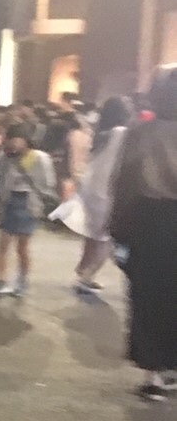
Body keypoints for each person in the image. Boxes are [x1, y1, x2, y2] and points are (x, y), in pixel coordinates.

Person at [110, 68, 177, 401]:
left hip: (149, 221)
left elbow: (123, 181)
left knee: (148, 296)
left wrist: (117, 226)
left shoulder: (141, 133)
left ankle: (153, 372)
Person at [57, 96, 131, 294]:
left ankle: (83, 272)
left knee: (93, 236)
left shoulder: (99, 132)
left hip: (91, 187)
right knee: (105, 238)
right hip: (106, 190)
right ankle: (87, 276)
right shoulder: (120, 133)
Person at [0, 123, 56, 298]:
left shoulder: (38, 157)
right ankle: (0, 280)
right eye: (11, 139)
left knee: (22, 247)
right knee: (2, 244)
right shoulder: (8, 157)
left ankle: (22, 281)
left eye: (17, 139)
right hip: (10, 201)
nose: (14, 143)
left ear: (26, 139)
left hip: (28, 202)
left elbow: (48, 182)